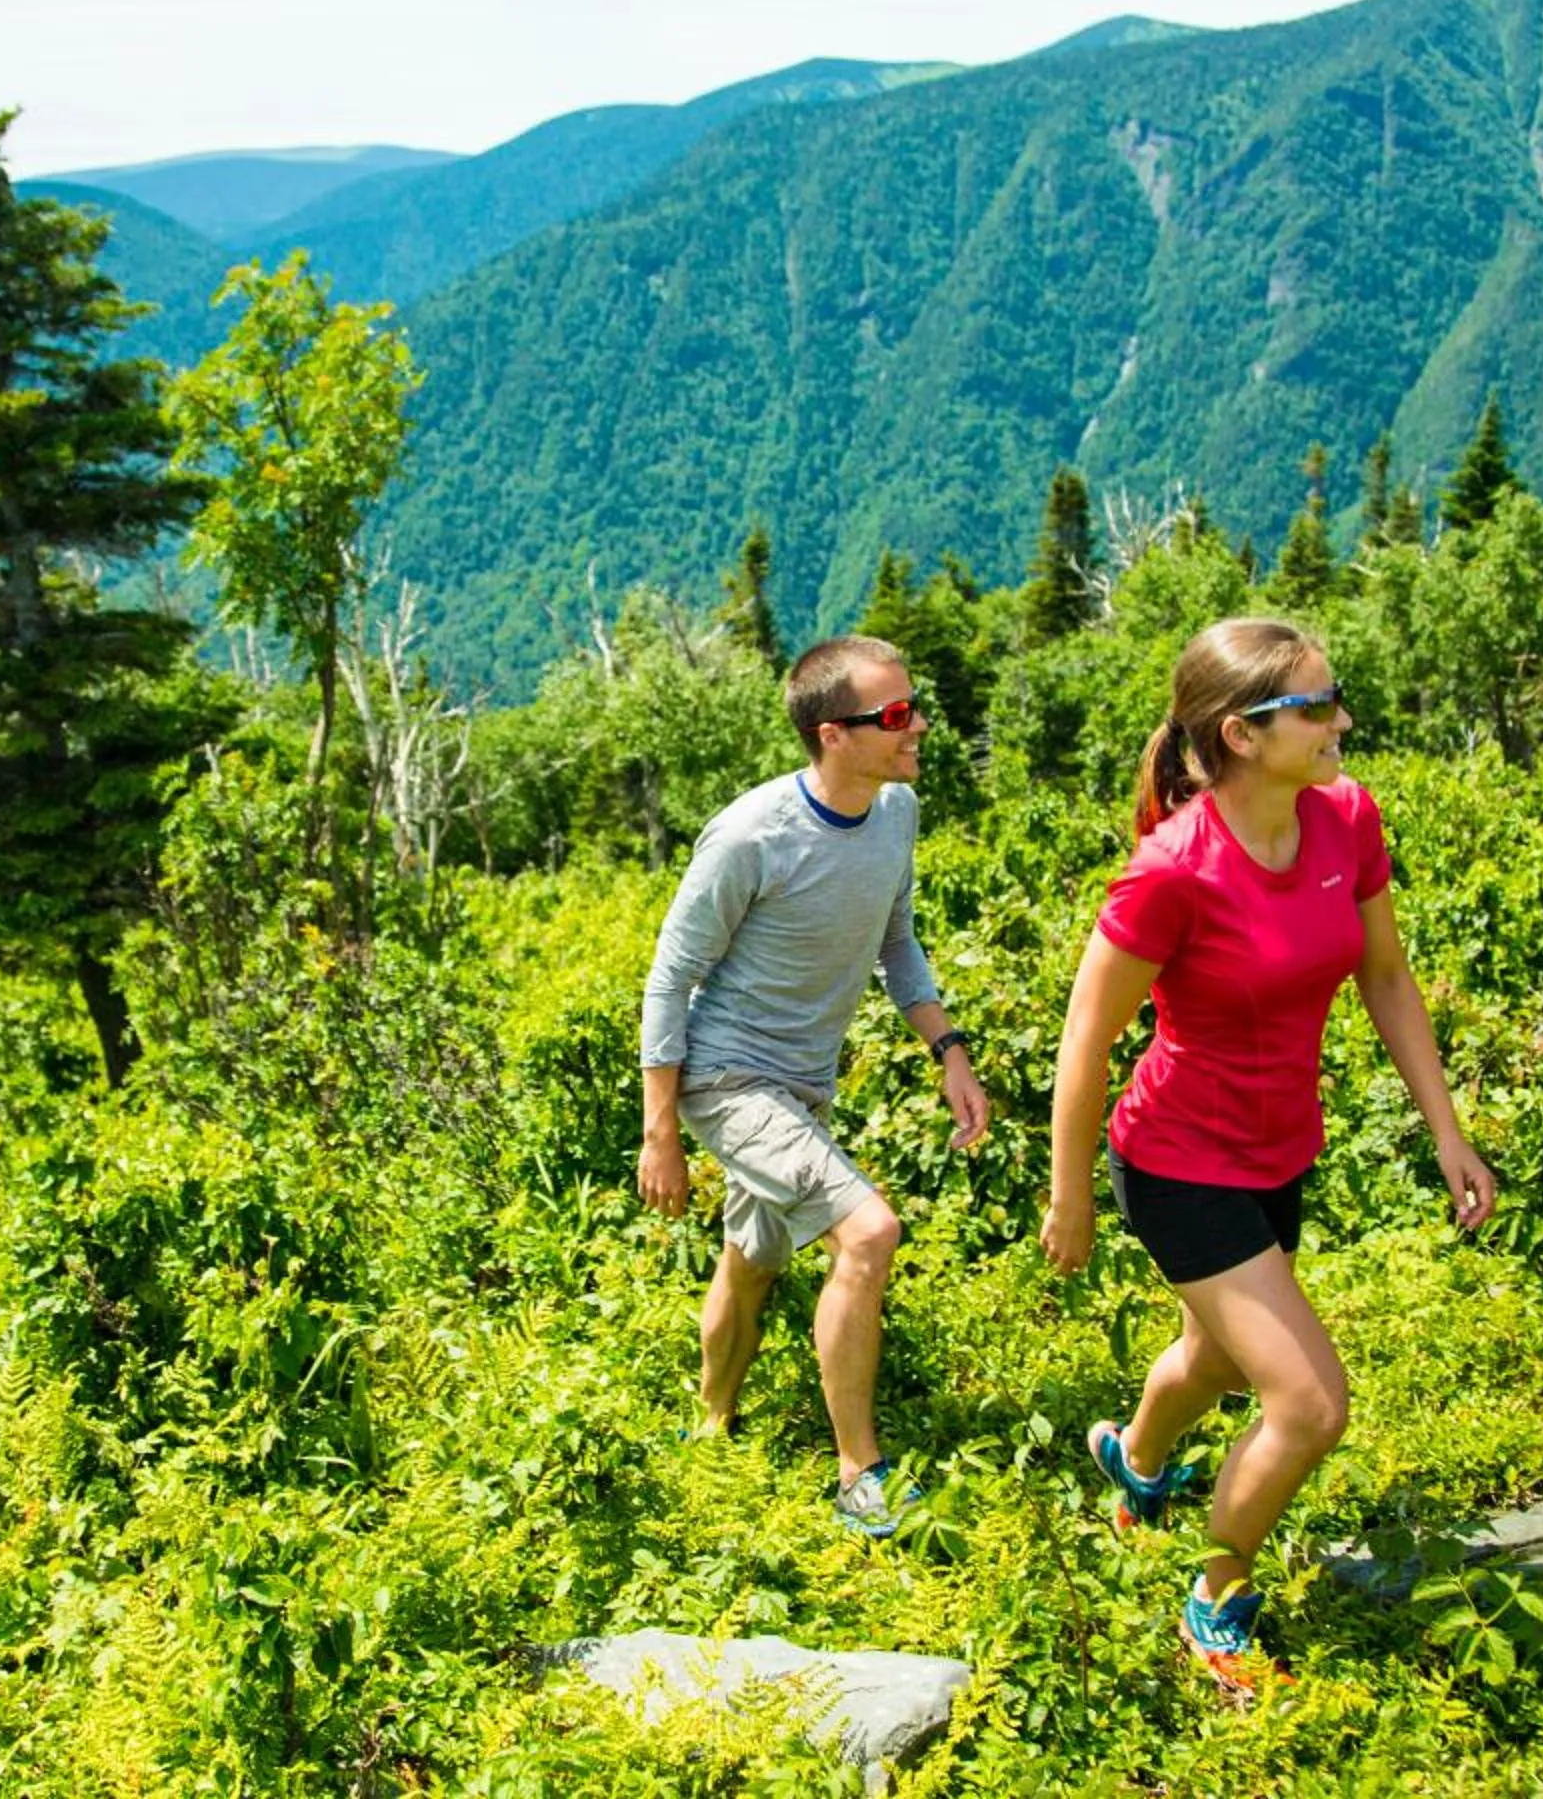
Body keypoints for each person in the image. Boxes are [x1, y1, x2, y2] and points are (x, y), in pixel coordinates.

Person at [1041, 617, 1495, 1690]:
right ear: (1242, 734)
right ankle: (1215, 1597)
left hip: (1278, 1148)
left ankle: (1135, 1460)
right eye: (1318, 706)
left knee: (1217, 1354)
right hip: (1176, 1160)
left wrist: (1447, 1129)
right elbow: (1087, 1034)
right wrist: (1071, 1195)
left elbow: (1386, 976)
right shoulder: (1173, 870)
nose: (1342, 721)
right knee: (1308, 1399)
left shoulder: (1346, 818)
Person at [639, 634, 992, 1537]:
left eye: (915, 706)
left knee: (751, 1262)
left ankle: (711, 1425)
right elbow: (671, 975)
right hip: (725, 1078)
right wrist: (662, 1133)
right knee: (868, 1232)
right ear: (835, 734)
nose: (918, 729)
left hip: (803, 1084)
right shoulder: (752, 834)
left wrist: (947, 1047)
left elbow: (895, 940)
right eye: (897, 716)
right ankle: (857, 1473)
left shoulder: (896, 811)